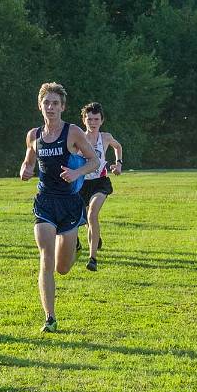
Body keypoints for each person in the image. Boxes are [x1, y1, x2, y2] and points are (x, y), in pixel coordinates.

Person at [19, 82, 99, 332]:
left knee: (62, 268)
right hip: (45, 202)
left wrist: (76, 173)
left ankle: (73, 244)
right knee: (45, 258)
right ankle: (50, 318)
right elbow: (28, 161)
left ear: (62, 107)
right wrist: (25, 170)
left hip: (70, 203)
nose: (50, 107)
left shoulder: (73, 132)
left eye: (55, 103)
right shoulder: (34, 135)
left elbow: (94, 161)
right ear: (40, 106)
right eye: (46, 103)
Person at [76, 102, 122, 272]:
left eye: (96, 119)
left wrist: (118, 164)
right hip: (81, 183)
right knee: (84, 219)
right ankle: (94, 237)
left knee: (92, 214)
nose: (92, 122)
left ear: (102, 121)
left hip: (100, 182)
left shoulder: (106, 137)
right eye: (89, 119)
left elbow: (118, 147)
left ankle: (92, 258)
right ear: (84, 120)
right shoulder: (78, 138)